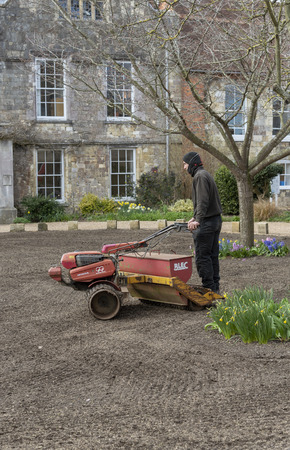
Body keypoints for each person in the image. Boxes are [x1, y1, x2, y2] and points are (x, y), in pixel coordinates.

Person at [183, 151, 222, 293]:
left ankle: (209, 291)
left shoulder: (199, 177)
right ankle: (215, 288)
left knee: (202, 257)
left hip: (207, 223)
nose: (184, 167)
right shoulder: (205, 174)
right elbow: (204, 202)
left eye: (185, 164)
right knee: (212, 256)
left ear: (192, 163)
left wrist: (198, 220)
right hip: (215, 220)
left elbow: (203, 201)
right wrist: (194, 217)